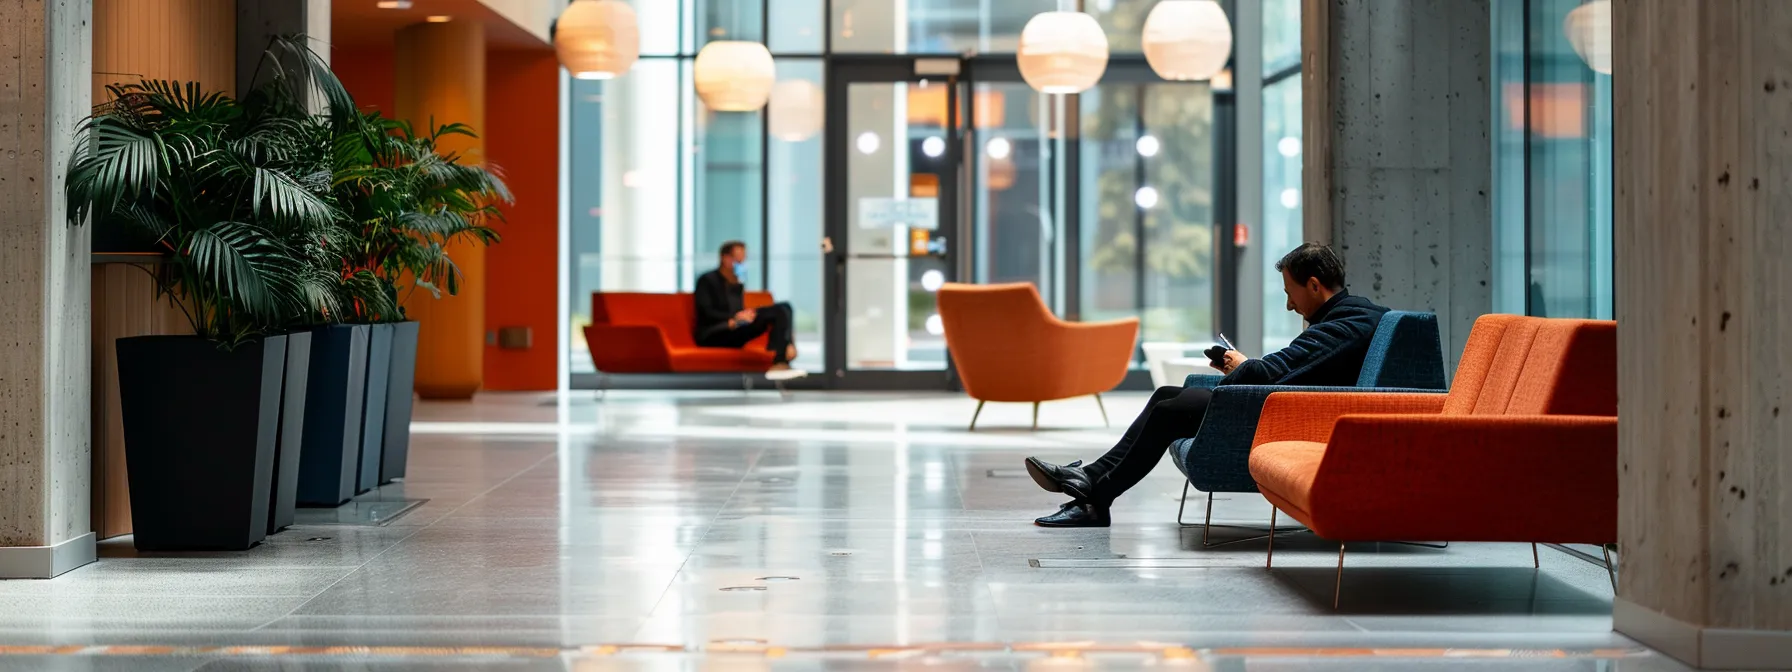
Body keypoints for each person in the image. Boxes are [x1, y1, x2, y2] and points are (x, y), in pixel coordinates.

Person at [1024, 243, 1389, 527]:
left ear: (1314, 285)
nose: (1290, 305)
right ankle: (1088, 478)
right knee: (1167, 395)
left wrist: (1242, 366)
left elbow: (1270, 373)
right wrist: (1245, 367)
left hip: (1286, 415)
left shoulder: (1346, 324)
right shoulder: (1347, 317)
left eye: (1290, 292)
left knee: (1169, 412)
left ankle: (1096, 500)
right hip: (1284, 404)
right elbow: (1292, 368)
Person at [695, 241, 802, 379]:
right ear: (725, 258)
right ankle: (780, 360)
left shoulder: (736, 283)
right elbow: (706, 312)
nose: (741, 262)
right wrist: (731, 320)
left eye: (743, 258)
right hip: (715, 332)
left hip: (736, 328)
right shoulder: (707, 280)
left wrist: (742, 317)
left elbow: (738, 311)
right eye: (737, 258)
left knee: (784, 308)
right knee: (776, 311)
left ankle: (783, 354)